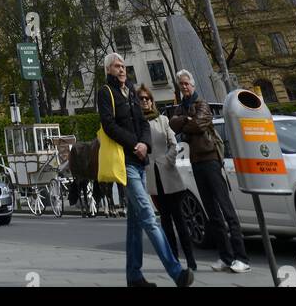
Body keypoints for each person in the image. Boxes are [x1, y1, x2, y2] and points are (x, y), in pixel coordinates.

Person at [97, 53, 193, 289]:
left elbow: (142, 122)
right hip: (125, 163)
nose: (121, 69)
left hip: (140, 162)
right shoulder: (105, 92)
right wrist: (134, 144)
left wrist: (145, 145)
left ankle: (134, 277)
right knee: (150, 218)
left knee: (134, 224)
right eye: (117, 66)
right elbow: (108, 125)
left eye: (123, 66)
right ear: (108, 70)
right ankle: (176, 272)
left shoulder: (130, 90)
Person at [170, 69, 250, 274]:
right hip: (196, 161)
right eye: (181, 85)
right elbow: (173, 124)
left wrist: (186, 121)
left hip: (211, 159)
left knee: (226, 209)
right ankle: (225, 256)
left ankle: (241, 258)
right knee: (212, 212)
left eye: (186, 83)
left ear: (193, 85)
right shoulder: (182, 107)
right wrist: (187, 121)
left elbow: (198, 124)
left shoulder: (202, 104)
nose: (184, 87)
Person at [137, 83, 197, 272]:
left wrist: (168, 160)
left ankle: (190, 259)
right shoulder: (137, 124)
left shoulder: (163, 120)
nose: (145, 101)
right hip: (153, 178)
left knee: (179, 220)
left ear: (152, 101)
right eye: (141, 99)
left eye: (147, 98)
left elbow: (174, 143)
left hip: (170, 175)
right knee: (165, 222)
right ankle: (174, 260)